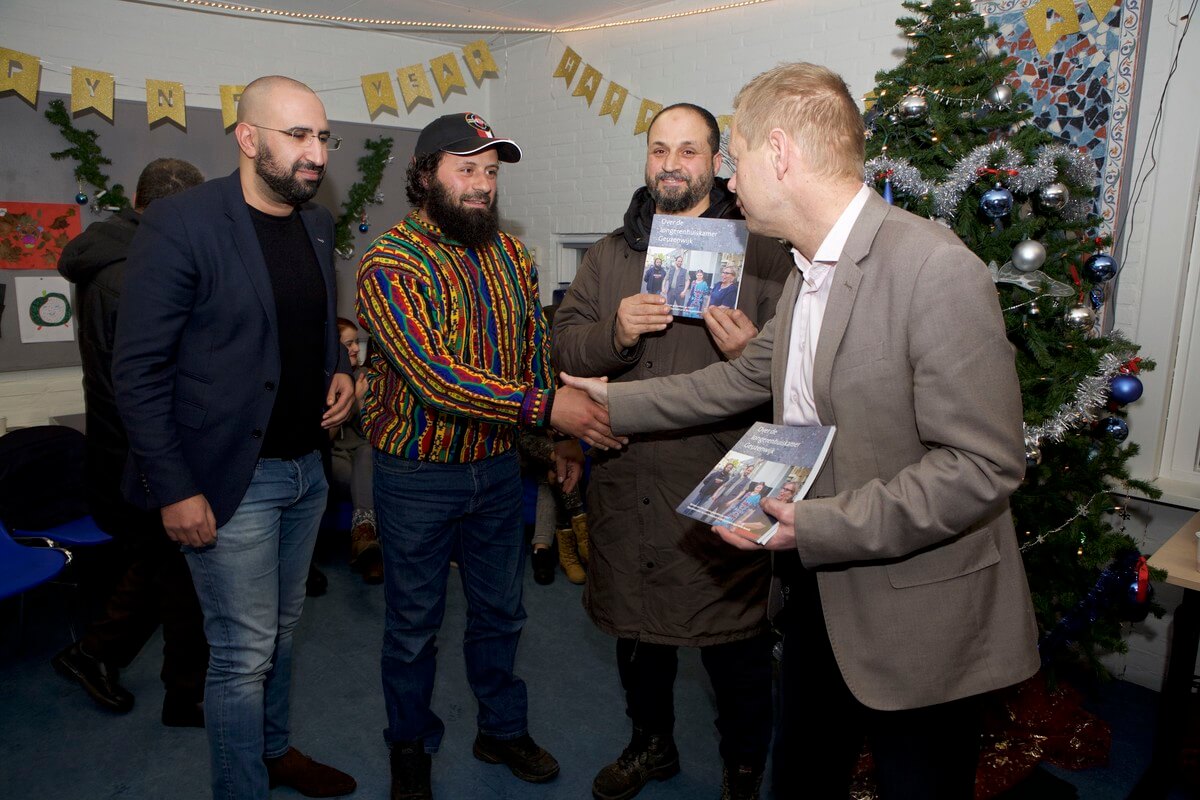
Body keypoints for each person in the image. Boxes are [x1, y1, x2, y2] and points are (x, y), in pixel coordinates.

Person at [563, 62, 1040, 800]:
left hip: (916, 616)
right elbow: (738, 379)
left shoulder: (934, 269)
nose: (727, 177)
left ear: (780, 154)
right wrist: (609, 402)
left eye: (736, 157)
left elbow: (981, 468)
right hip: (817, 596)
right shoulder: (806, 271)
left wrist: (814, 527)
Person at [355, 112, 619, 800]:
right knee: (414, 628)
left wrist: (553, 436)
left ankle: (501, 729)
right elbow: (434, 376)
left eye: (491, 172)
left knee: (501, 613)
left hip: (499, 472)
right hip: (416, 475)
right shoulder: (390, 264)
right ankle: (409, 748)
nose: (481, 185)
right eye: (465, 168)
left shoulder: (513, 258)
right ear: (424, 175)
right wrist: (547, 411)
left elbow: (533, 357)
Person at [113, 75, 358, 800]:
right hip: (228, 481)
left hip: (307, 470)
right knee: (242, 653)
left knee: (281, 635)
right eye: (298, 136)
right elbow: (139, 369)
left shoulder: (315, 222)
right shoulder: (183, 223)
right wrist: (176, 488)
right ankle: (240, 786)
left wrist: (337, 367)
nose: (315, 153)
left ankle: (274, 753)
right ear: (248, 139)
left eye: (321, 137)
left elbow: (313, 320)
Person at [551, 101, 793, 800]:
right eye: (660, 150)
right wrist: (616, 334)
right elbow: (565, 345)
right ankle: (650, 744)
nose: (671, 164)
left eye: (689, 151)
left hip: (723, 478)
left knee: (737, 648)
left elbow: (810, 374)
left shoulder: (767, 251)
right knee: (637, 634)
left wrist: (756, 356)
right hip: (630, 476)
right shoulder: (611, 254)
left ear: (717, 162)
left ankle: (743, 768)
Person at [55, 157, 209, 728]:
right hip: (143, 455)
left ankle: (97, 656)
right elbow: (148, 381)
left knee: (167, 568)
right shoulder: (134, 273)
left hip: (124, 448)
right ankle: (176, 690)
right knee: (182, 572)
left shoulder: (112, 255)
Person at [330, 317, 382, 584]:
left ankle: (365, 540)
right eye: (348, 343)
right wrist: (353, 400)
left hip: (363, 455)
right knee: (364, 482)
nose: (354, 348)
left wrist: (362, 403)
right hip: (333, 456)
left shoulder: (366, 376)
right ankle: (369, 549)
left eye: (355, 343)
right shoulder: (325, 379)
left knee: (367, 452)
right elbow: (324, 436)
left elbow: (371, 432)